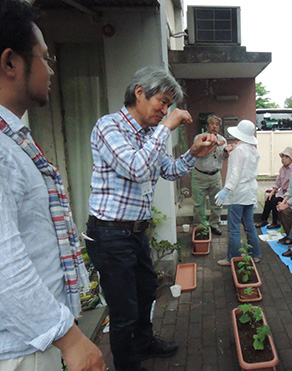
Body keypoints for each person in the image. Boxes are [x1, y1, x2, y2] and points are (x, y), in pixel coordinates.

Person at [86, 66, 217, 371]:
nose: (165, 109)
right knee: (122, 312)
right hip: (109, 234)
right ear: (140, 93)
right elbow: (134, 167)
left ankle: (144, 343)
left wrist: (194, 153)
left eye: (170, 105)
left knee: (146, 290)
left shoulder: (149, 135)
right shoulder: (109, 127)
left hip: (134, 233)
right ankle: (128, 366)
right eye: (163, 101)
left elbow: (168, 170)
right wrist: (167, 127)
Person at [0, 1, 105, 370]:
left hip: (35, 338)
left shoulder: (12, 139)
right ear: (10, 63)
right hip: (21, 349)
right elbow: (3, 260)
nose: (51, 71)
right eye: (45, 58)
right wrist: (71, 339)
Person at [214, 120, 262, 266]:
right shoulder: (253, 149)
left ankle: (232, 258)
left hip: (238, 192)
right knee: (249, 225)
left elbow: (235, 174)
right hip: (250, 192)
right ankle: (256, 254)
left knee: (233, 228)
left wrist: (226, 189)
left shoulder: (239, 150)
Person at [192, 113, 232, 236]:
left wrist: (225, 151)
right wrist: (215, 144)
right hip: (200, 175)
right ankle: (199, 226)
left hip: (215, 175)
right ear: (207, 126)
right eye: (212, 124)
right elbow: (201, 153)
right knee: (199, 203)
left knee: (217, 201)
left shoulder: (222, 140)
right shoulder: (199, 138)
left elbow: (224, 158)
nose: (214, 127)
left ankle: (215, 224)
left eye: (217, 124)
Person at [255, 146, 292, 229]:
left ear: (291, 158)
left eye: (286, 157)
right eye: (283, 157)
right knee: (269, 199)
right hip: (282, 193)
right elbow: (278, 183)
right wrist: (272, 192)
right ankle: (264, 220)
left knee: (275, 201)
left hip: (290, 194)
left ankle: (276, 222)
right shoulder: (282, 169)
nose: (283, 159)